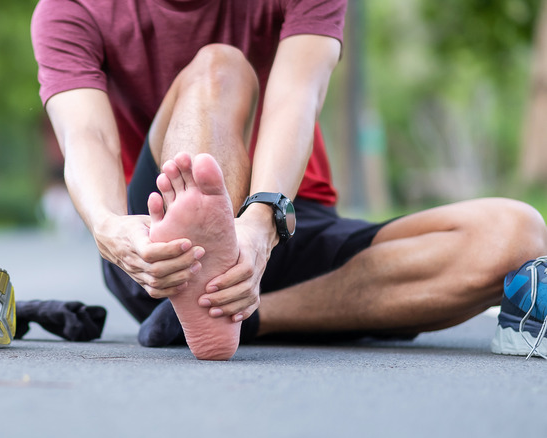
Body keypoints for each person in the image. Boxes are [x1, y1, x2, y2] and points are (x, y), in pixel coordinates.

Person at [31, 0, 547, 360]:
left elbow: (297, 96)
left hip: (286, 222)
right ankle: (202, 267)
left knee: (517, 233)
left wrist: (260, 225)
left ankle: (246, 315)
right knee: (221, 67)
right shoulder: (69, 9)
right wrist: (108, 228)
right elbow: (87, 139)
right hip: (157, 254)